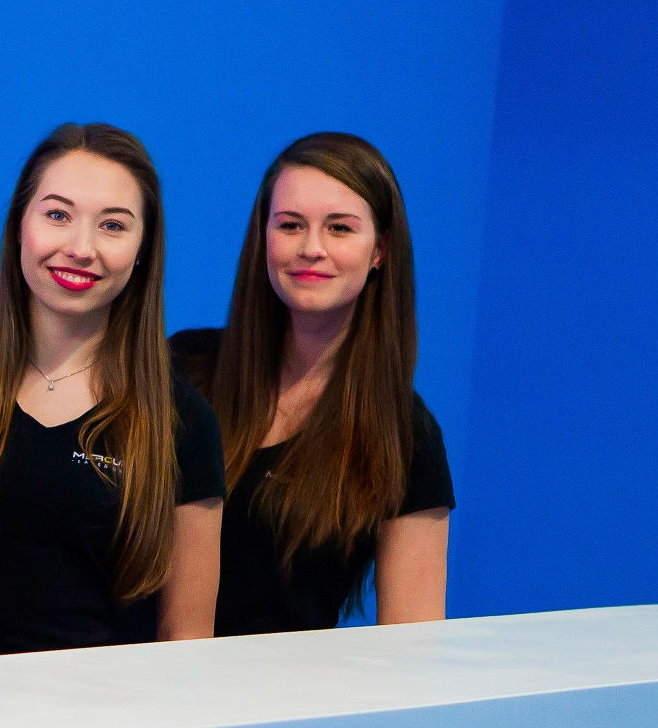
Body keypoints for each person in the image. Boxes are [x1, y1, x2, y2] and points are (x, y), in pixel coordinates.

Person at [0, 123, 223, 653]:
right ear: (19, 226)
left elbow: (186, 640)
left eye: (112, 226)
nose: (81, 248)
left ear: (144, 249)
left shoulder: (183, 422)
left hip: (105, 704)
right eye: (57, 215)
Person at [172, 132, 453, 633]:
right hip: (132, 674)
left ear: (380, 250)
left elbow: (412, 644)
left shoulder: (405, 435)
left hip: (284, 685)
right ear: (263, 237)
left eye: (340, 228)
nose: (311, 249)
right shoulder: (183, 369)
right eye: (290, 225)